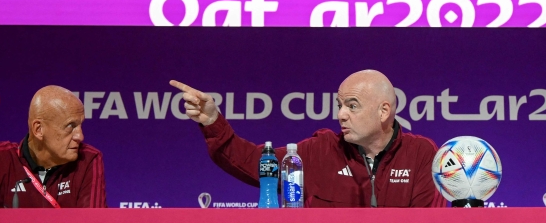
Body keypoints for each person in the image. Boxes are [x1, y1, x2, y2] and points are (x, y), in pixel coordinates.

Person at [170, 70, 445, 208]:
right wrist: (211, 121)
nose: (341, 115)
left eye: (352, 105)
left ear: (384, 111)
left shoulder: (420, 153)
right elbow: (253, 163)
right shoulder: (319, 151)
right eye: (339, 105)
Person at [0, 85, 106, 208]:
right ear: (39, 129)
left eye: (80, 125)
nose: (80, 136)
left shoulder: (88, 160)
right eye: (70, 126)